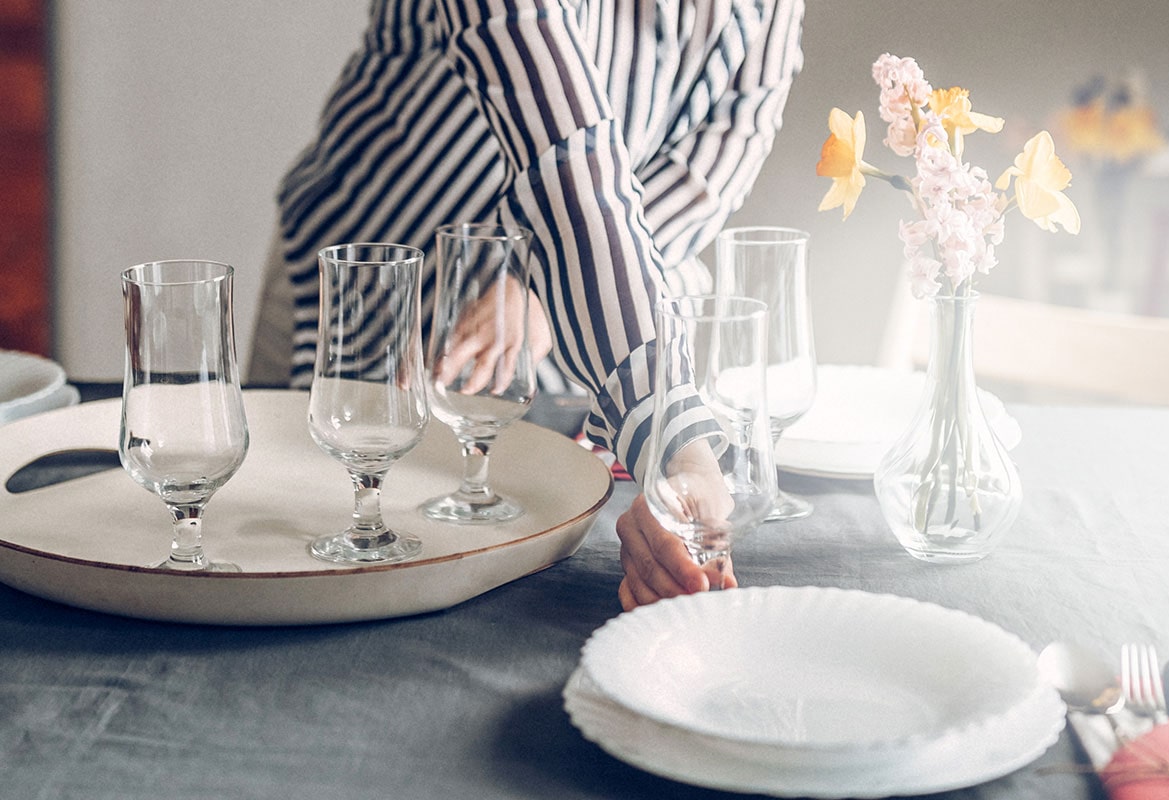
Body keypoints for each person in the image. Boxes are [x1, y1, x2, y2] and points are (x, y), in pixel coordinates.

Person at [248, 0, 806, 610]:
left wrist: (542, 291)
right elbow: (565, 161)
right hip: (361, 293)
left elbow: (716, 163)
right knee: (285, 549)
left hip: (574, 319)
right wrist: (679, 445)